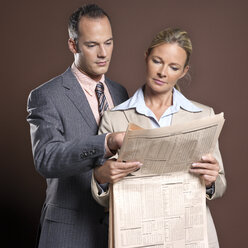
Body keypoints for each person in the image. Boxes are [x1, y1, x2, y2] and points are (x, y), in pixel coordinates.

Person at [92, 28, 226, 247]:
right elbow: (102, 199)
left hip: (191, 234)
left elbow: (219, 185)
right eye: (157, 61)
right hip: (136, 235)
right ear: (146, 57)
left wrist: (211, 180)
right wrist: (102, 178)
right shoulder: (113, 118)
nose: (163, 72)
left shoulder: (203, 116)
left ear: (184, 71)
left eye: (173, 67)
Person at [26, 4, 141, 248]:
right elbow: (46, 158)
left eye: (108, 43)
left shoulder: (121, 92)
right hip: (69, 232)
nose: (103, 53)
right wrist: (106, 143)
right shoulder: (46, 96)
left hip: (117, 231)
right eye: (92, 45)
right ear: (73, 45)